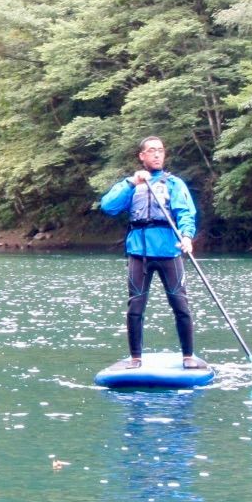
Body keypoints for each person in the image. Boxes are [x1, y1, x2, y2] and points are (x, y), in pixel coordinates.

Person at [98, 136, 206, 370]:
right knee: (135, 307)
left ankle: (188, 355)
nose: (157, 154)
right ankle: (135, 358)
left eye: (161, 150)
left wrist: (187, 236)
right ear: (142, 156)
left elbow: (185, 213)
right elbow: (108, 206)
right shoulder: (131, 185)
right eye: (152, 150)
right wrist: (131, 182)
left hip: (169, 251)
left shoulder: (174, 183)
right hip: (139, 253)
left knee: (180, 305)